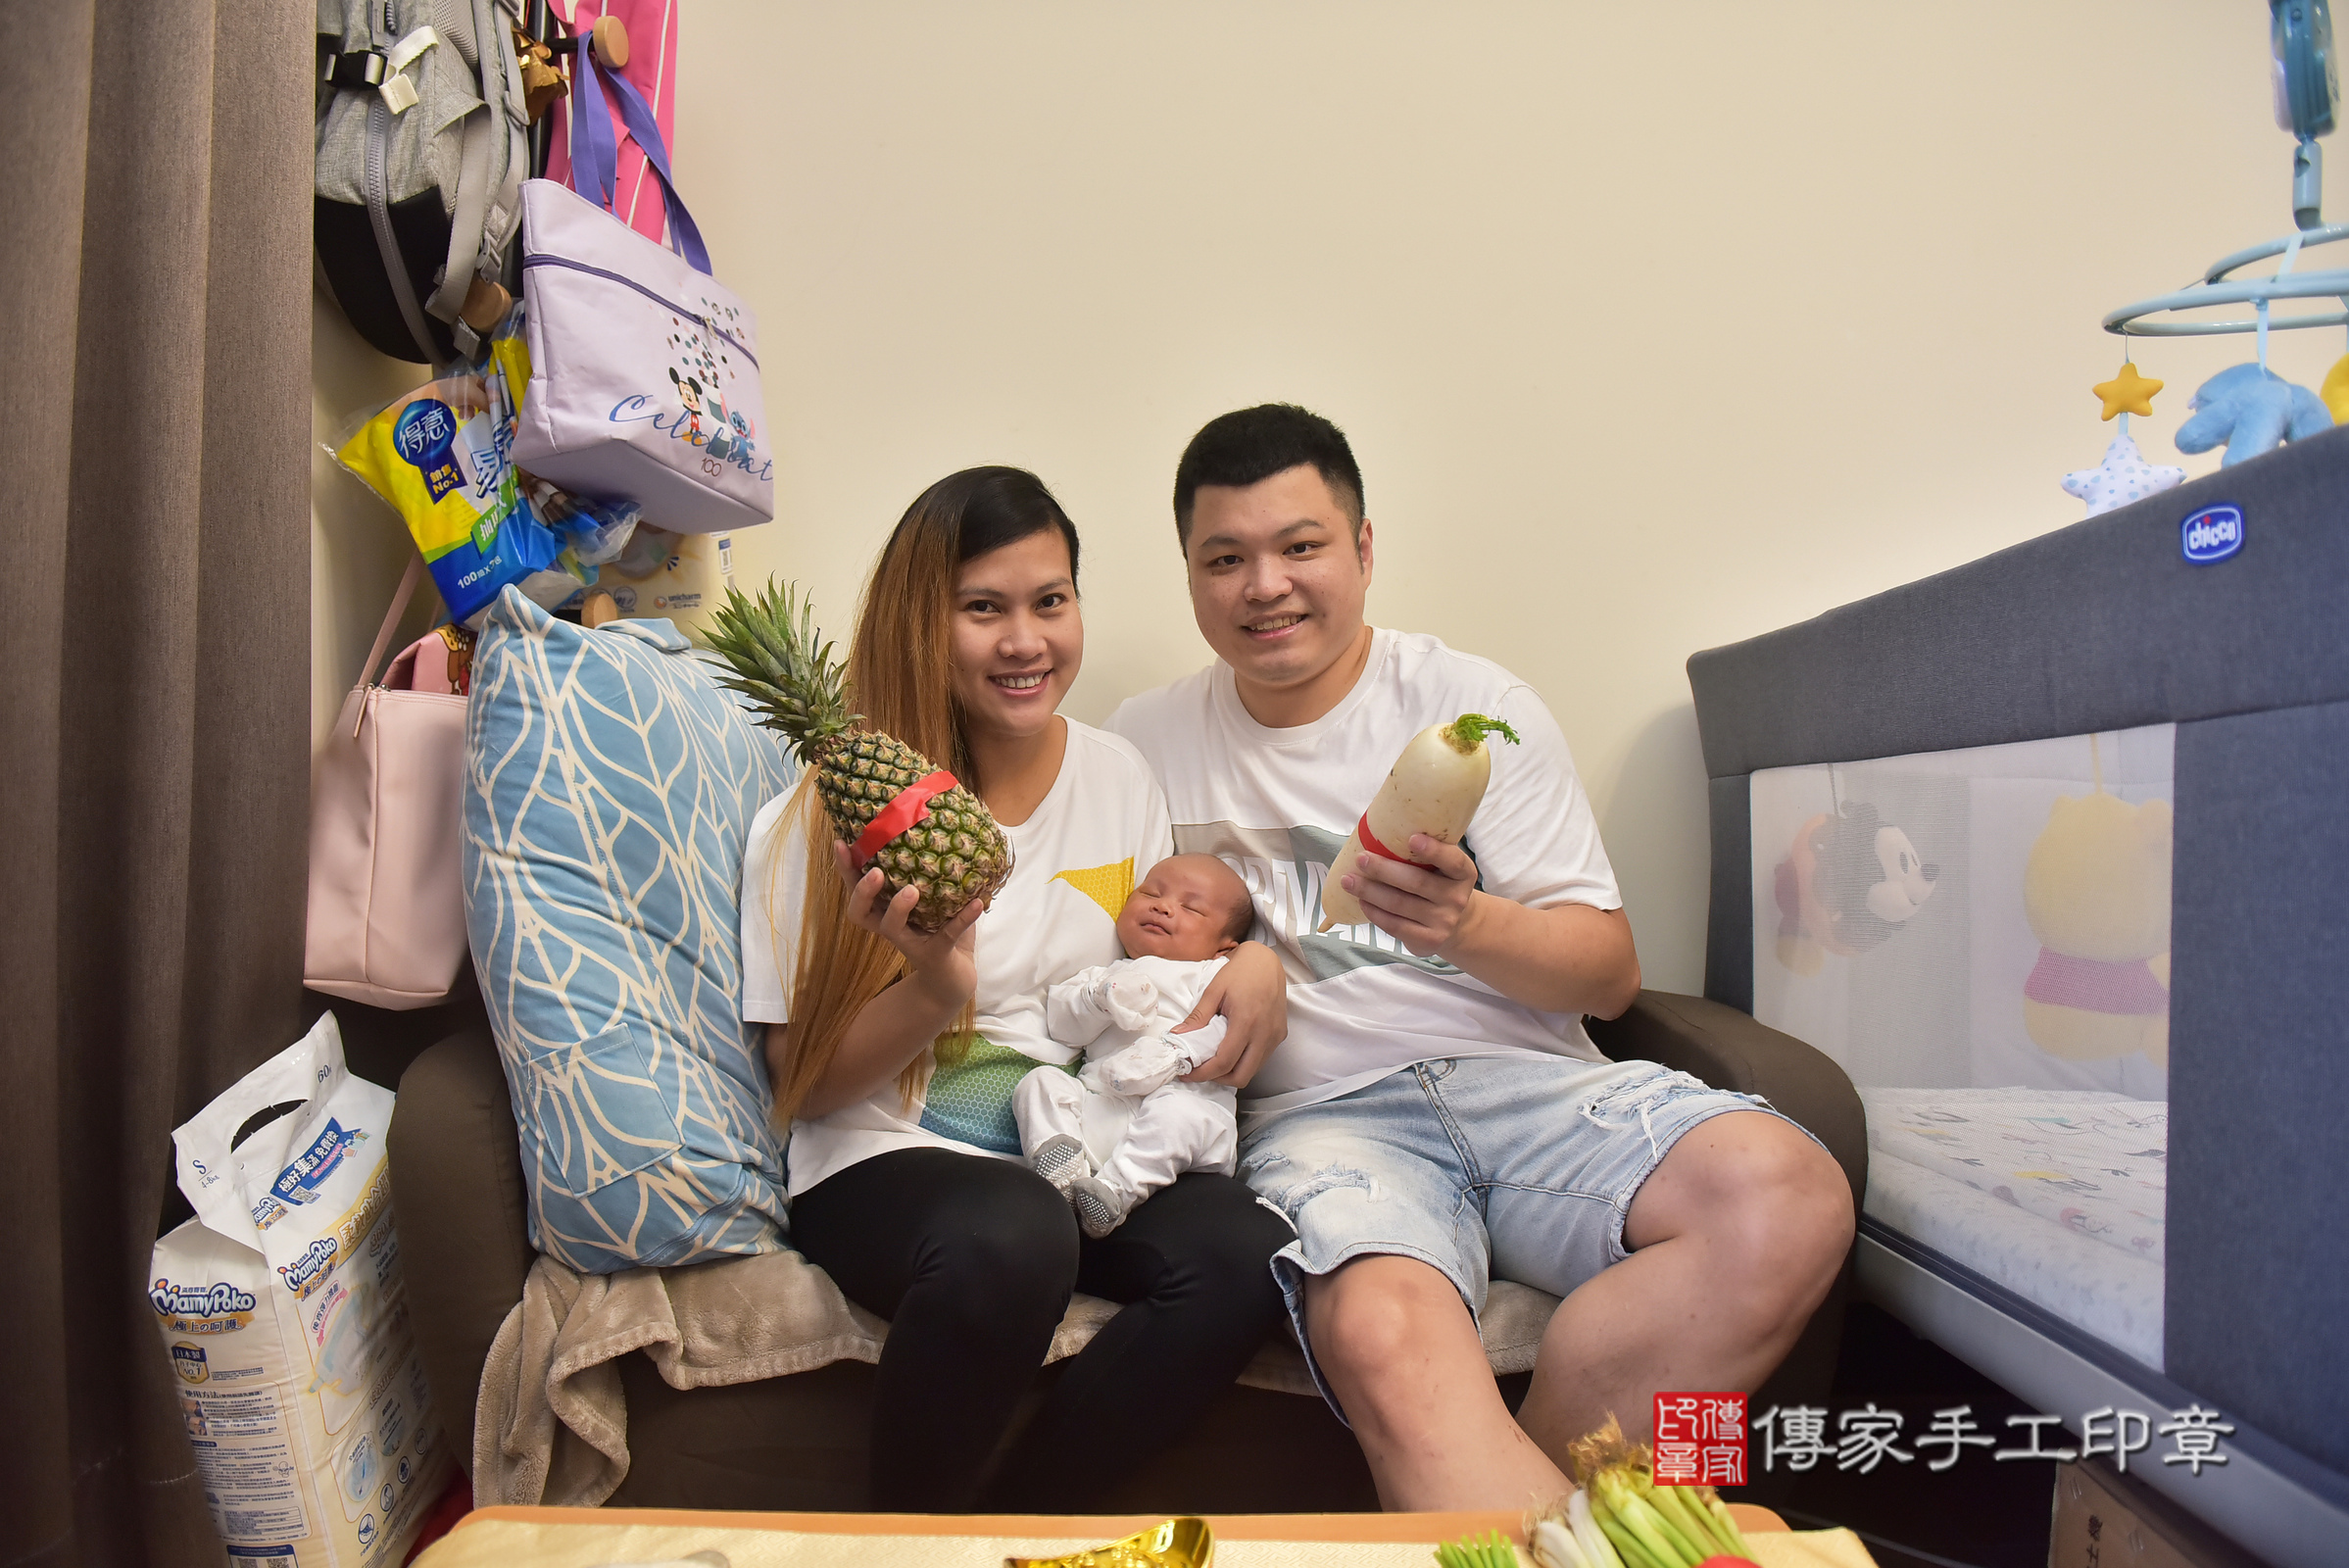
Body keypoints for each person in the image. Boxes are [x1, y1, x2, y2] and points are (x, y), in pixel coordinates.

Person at [1104, 406, 1856, 1511]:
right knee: (1379, 1324)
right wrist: (1248, 961)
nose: (1265, 585)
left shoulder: (1475, 711)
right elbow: (1106, 952)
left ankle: (1544, 1507)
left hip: (1532, 1087)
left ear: (1364, 549)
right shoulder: (1142, 740)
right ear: (1189, 574)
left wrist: (1467, 924)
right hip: (1321, 1120)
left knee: (1787, 1192)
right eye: (1225, 559)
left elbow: (1608, 973)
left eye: (1301, 545)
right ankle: (1595, 1529)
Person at [740, 466, 1295, 1512]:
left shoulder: (1119, 776)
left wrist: (1252, 958)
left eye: (1050, 601)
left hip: (1077, 1137)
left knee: (1250, 1251)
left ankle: (1016, 1528)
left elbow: (1158, 954)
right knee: (1017, 1230)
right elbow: (803, 1086)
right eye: (983, 609)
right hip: (882, 1149)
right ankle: (909, 1540)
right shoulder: (823, 815)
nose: (1026, 641)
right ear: (920, 621)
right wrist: (932, 983)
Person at [1015, 853, 1258, 1239]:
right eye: (1151, 893)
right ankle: (1063, 1176)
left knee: (1178, 1114)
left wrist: (1172, 1054)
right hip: (1104, 1107)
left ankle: (1114, 1193)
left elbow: (1230, 1032)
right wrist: (1099, 998)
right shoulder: (1107, 971)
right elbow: (1063, 1027)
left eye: (1191, 908)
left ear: (1224, 948)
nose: (1163, 906)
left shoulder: (1214, 975)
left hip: (1183, 1110)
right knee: (1041, 1082)